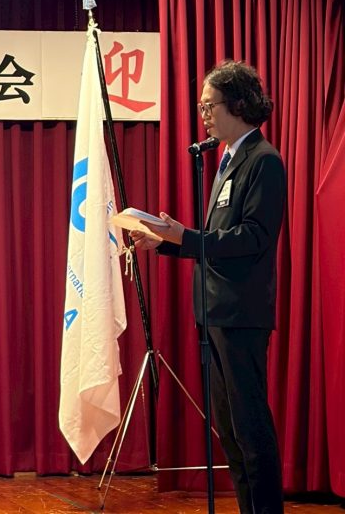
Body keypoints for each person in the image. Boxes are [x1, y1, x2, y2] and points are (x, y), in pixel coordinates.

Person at [131, 60, 285, 514]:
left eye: (208, 105)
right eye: (201, 107)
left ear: (237, 103)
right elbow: (214, 242)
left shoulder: (263, 160)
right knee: (231, 433)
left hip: (241, 314)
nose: (203, 115)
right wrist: (165, 242)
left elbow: (253, 238)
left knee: (251, 429)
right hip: (214, 311)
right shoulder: (227, 159)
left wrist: (186, 237)